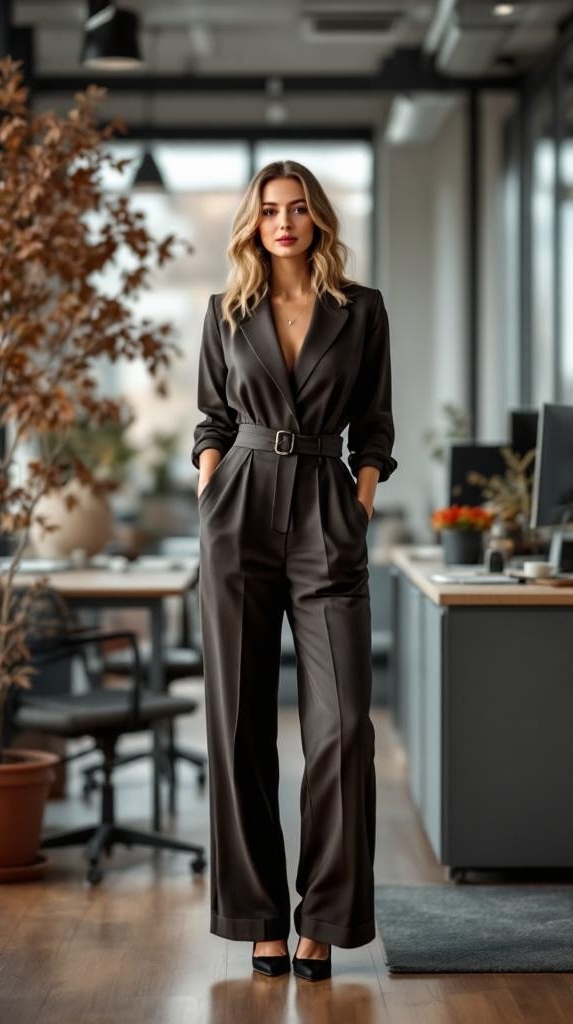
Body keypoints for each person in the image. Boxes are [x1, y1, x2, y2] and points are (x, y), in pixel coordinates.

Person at [191, 159, 398, 982]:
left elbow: (375, 422)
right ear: (254, 222)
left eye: (299, 207)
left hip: (325, 507)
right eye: (270, 209)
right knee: (238, 723)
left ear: (317, 219)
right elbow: (212, 414)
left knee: (343, 728)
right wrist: (211, 484)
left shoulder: (362, 311)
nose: (284, 221)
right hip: (237, 508)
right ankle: (259, 917)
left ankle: (328, 917)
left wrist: (360, 502)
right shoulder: (225, 310)